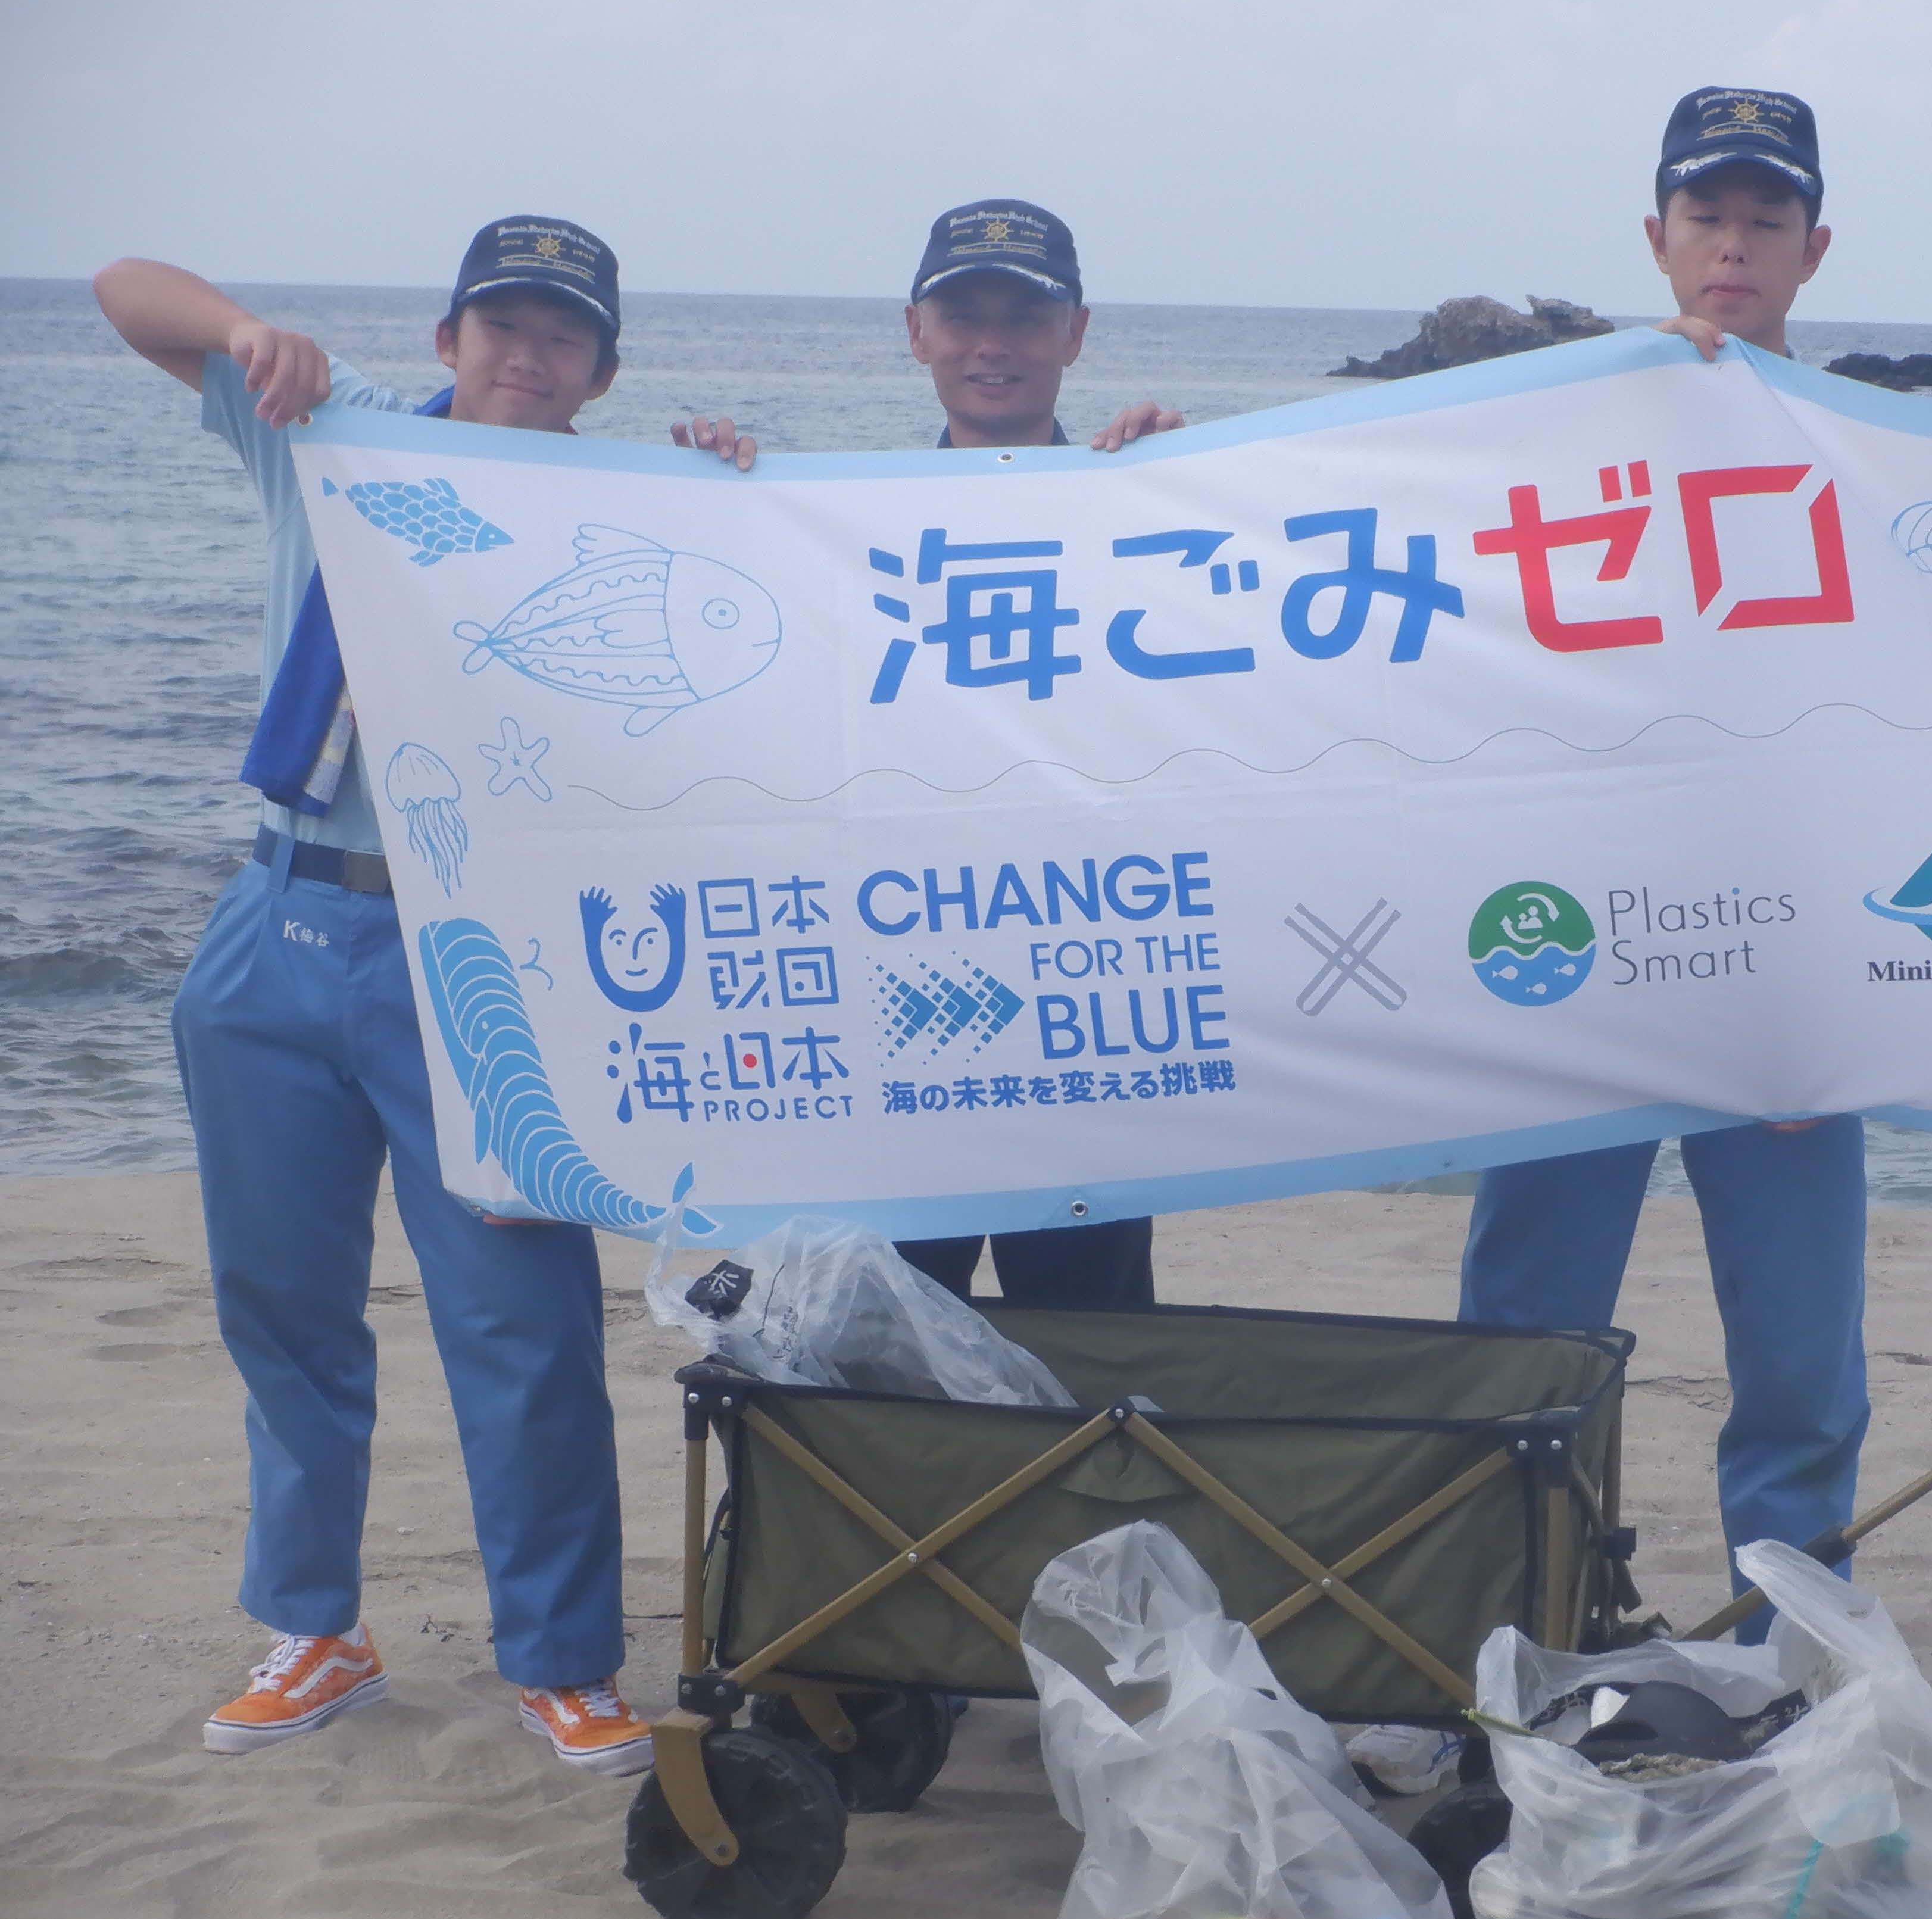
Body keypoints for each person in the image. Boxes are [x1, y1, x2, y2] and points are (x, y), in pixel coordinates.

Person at [96, 219, 757, 1776]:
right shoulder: (329, 435)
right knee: (283, 1309)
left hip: (489, 957)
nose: (527, 357)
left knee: (519, 1323)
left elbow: (756, 640)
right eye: (501, 325)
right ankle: (314, 1627)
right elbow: (127, 293)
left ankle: (564, 1659)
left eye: (562, 338)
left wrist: (738, 487)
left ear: (603, 372)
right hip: (276, 920)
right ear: (451, 335)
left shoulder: (621, 507)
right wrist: (253, 332)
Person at [1347, 88, 1867, 1803]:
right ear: (1655, 238)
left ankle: (1786, 1662)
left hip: (1784, 986)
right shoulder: (1552, 428)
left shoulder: (1869, 448)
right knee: (1521, 1331)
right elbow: (1371, 555)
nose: (1732, 246)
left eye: (1764, 219)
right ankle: (1482, 1647)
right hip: (1569, 964)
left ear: (1814, 247)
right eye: (1703, 216)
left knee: (1799, 1363)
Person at [885, 197, 1181, 1308]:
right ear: (917, 331)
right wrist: (723, 484)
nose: (993, 344)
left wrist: (1203, 489)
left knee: (1092, 1337)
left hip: (1086, 994)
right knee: (895, 1341)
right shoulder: (831, 528)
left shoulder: (1148, 505)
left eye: (1025, 315)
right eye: (965, 317)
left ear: (1078, 333)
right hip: (908, 989)